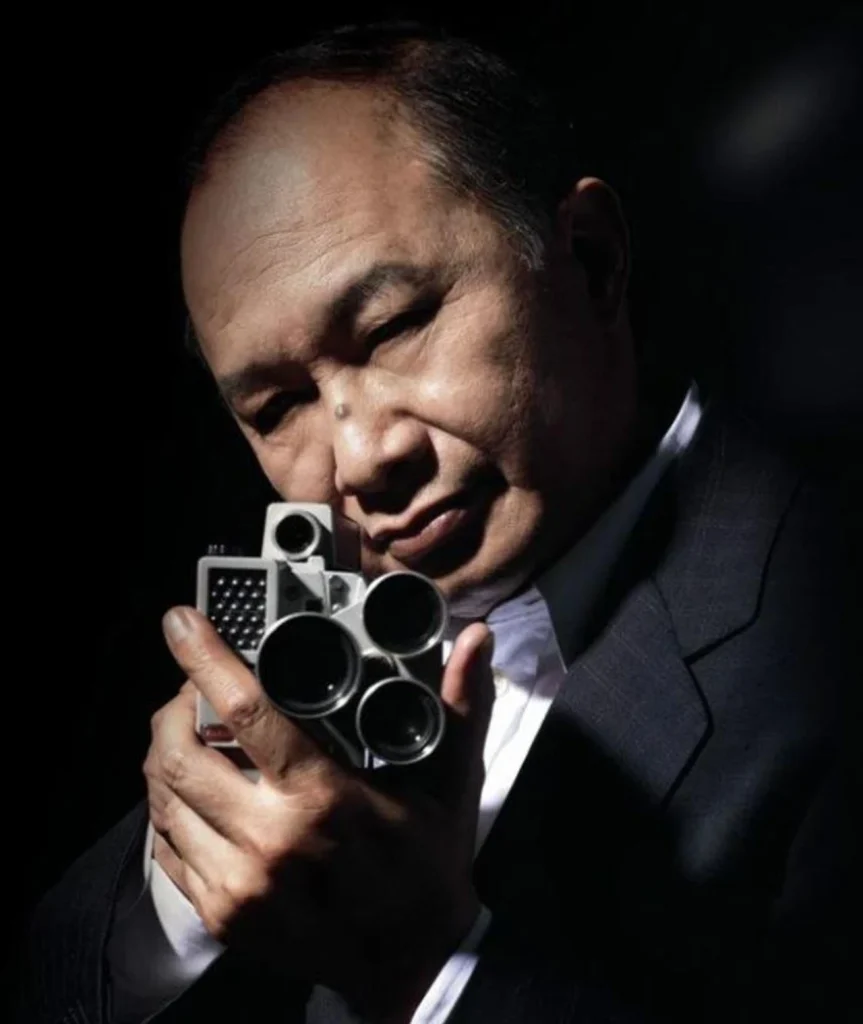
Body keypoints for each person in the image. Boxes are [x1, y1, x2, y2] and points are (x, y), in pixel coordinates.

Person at [17, 20, 857, 1024]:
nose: (361, 458)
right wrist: (184, 863)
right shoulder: (312, 654)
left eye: (392, 327)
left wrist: (426, 966)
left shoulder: (823, 636)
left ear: (589, 261)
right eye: (276, 407)